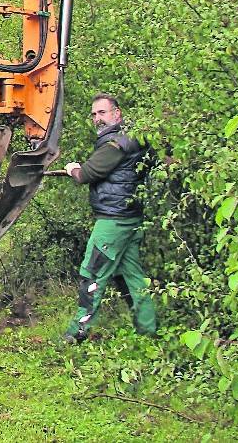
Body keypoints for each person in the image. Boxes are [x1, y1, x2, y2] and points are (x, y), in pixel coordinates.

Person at [61, 94, 156, 343]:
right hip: (130, 217)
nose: (97, 119)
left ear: (117, 113)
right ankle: (149, 332)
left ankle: (77, 331)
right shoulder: (133, 139)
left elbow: (88, 174)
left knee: (92, 273)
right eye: (93, 114)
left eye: (102, 113)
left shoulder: (117, 143)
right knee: (133, 277)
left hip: (114, 219)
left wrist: (73, 169)